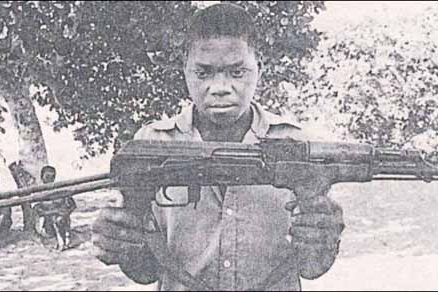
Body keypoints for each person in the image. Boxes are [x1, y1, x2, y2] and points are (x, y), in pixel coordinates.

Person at [92, 3, 345, 291]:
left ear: (258, 67)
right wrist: (121, 242)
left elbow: (312, 268)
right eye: (204, 73)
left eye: (237, 72)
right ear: (185, 70)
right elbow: (145, 271)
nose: (220, 87)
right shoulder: (153, 144)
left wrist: (324, 238)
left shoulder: (296, 145)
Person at [33, 166, 76, 250]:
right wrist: (54, 212)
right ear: (42, 178)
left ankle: (65, 240)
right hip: (47, 222)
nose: (49, 180)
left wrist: (65, 213)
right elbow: (37, 210)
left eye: (52, 177)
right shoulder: (39, 192)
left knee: (59, 220)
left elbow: (72, 205)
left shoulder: (60, 190)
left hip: (62, 220)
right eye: (47, 177)